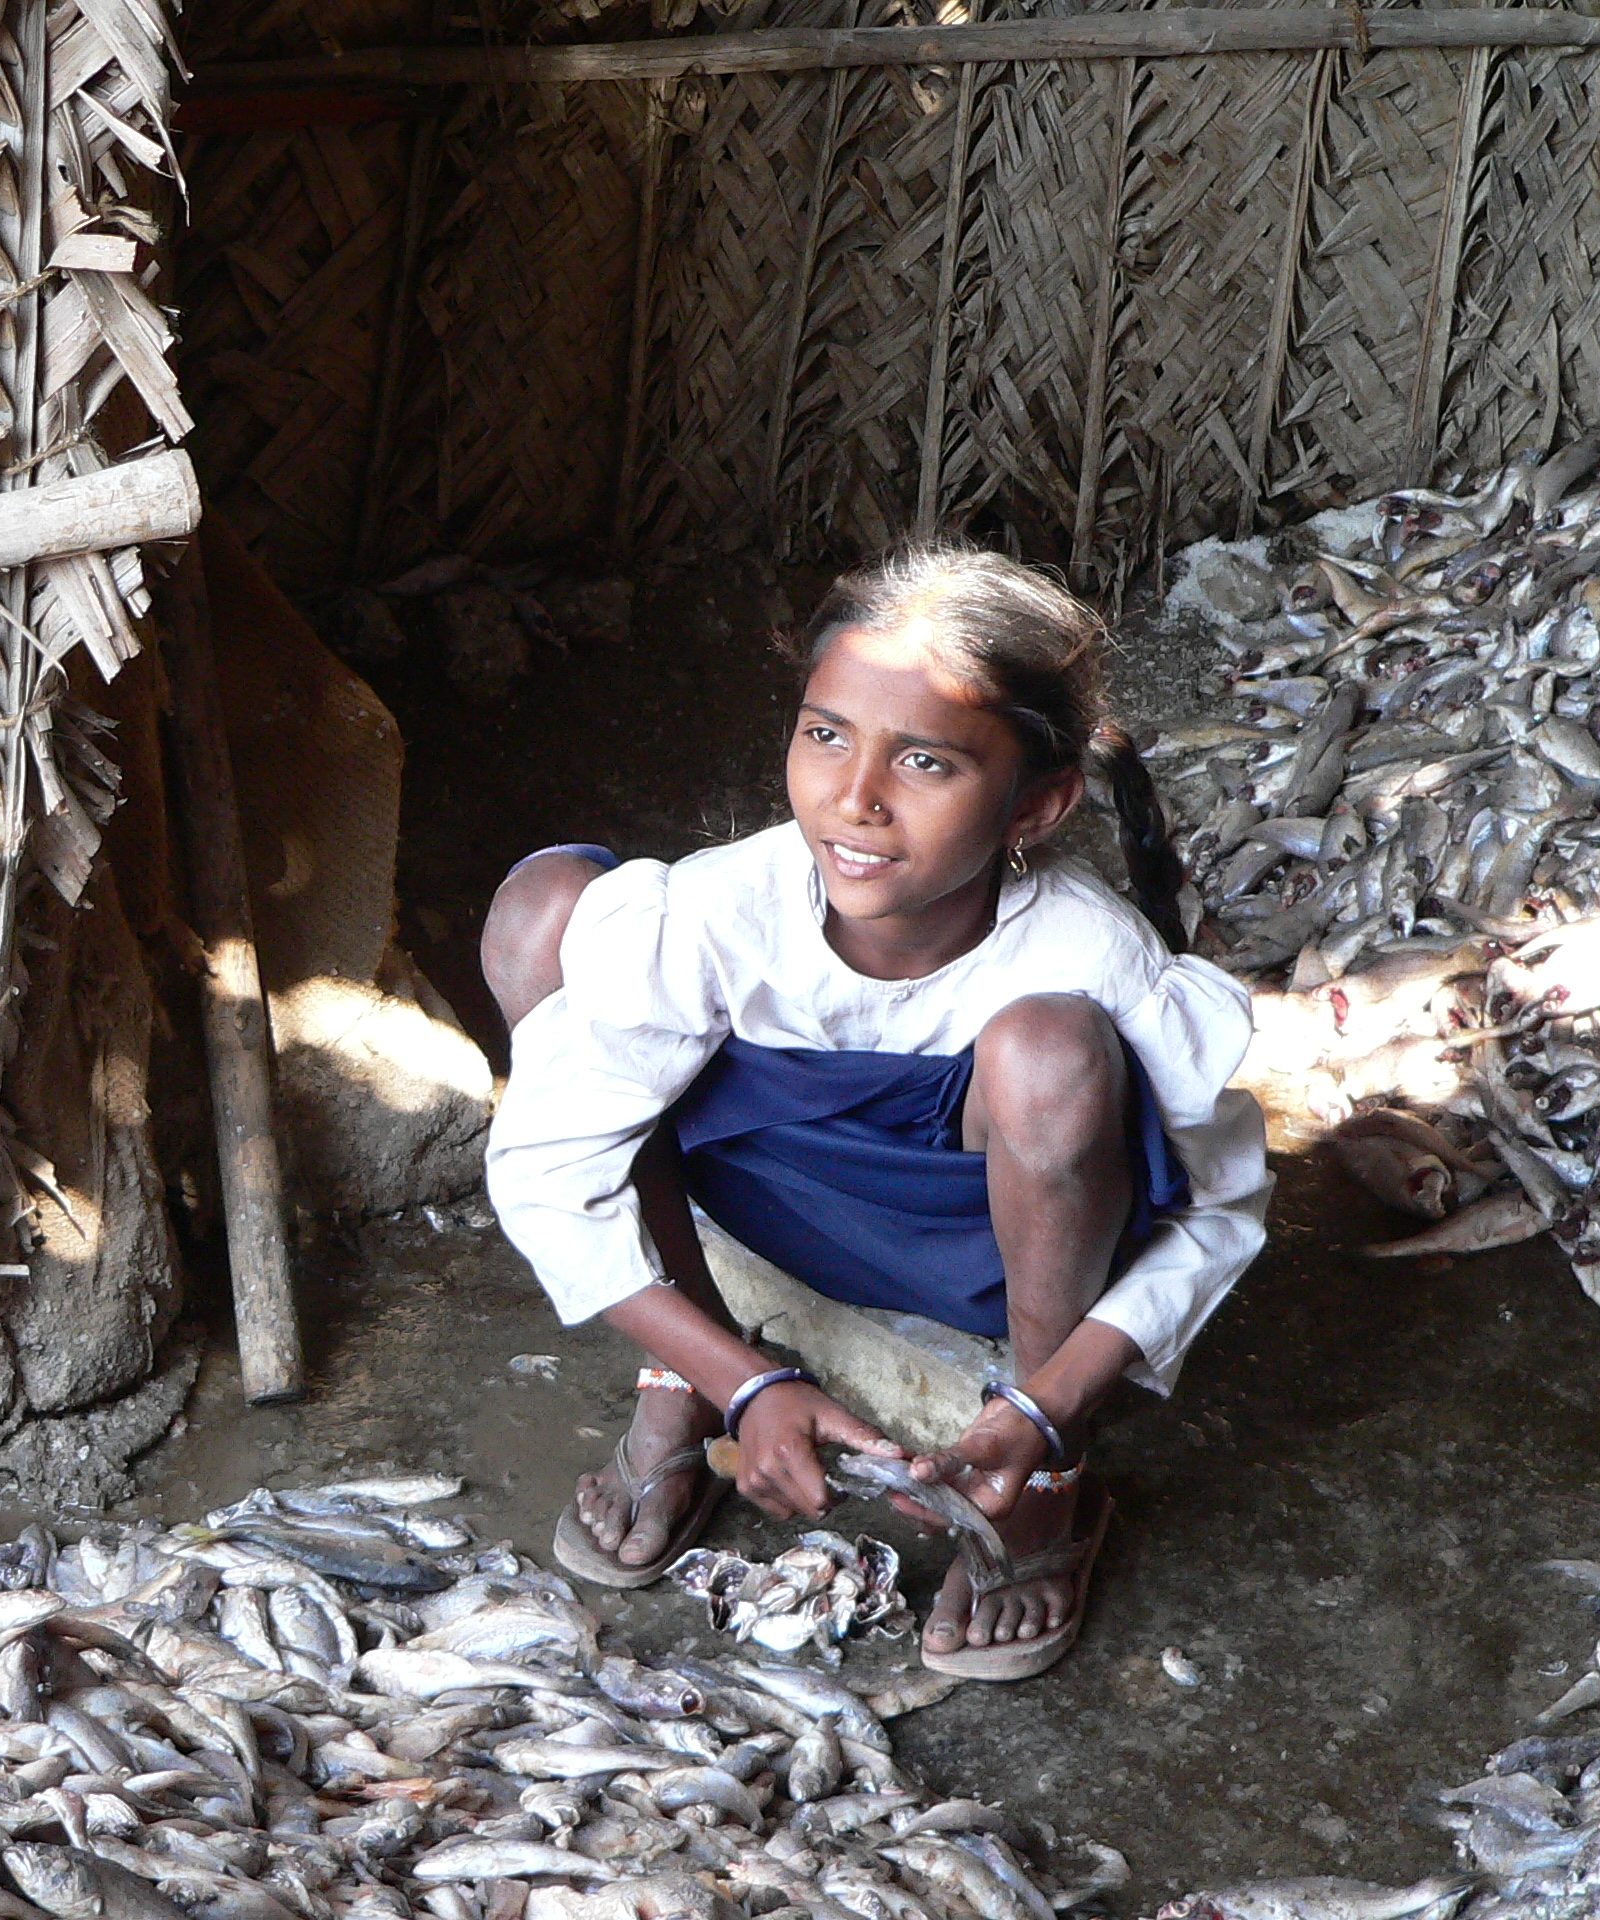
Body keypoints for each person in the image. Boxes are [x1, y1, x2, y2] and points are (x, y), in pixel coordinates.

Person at [480, 542, 1272, 1682]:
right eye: (824, 735)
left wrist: (1050, 1407)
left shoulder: (1091, 954)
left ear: (1035, 805)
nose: (855, 799)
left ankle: (1045, 1486)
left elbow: (1220, 1215)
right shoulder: (723, 911)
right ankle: (683, 1385)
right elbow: (551, 1163)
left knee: (1046, 1050)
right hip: (761, 1205)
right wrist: (743, 1384)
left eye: (927, 764)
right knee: (548, 909)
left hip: (994, 1256)